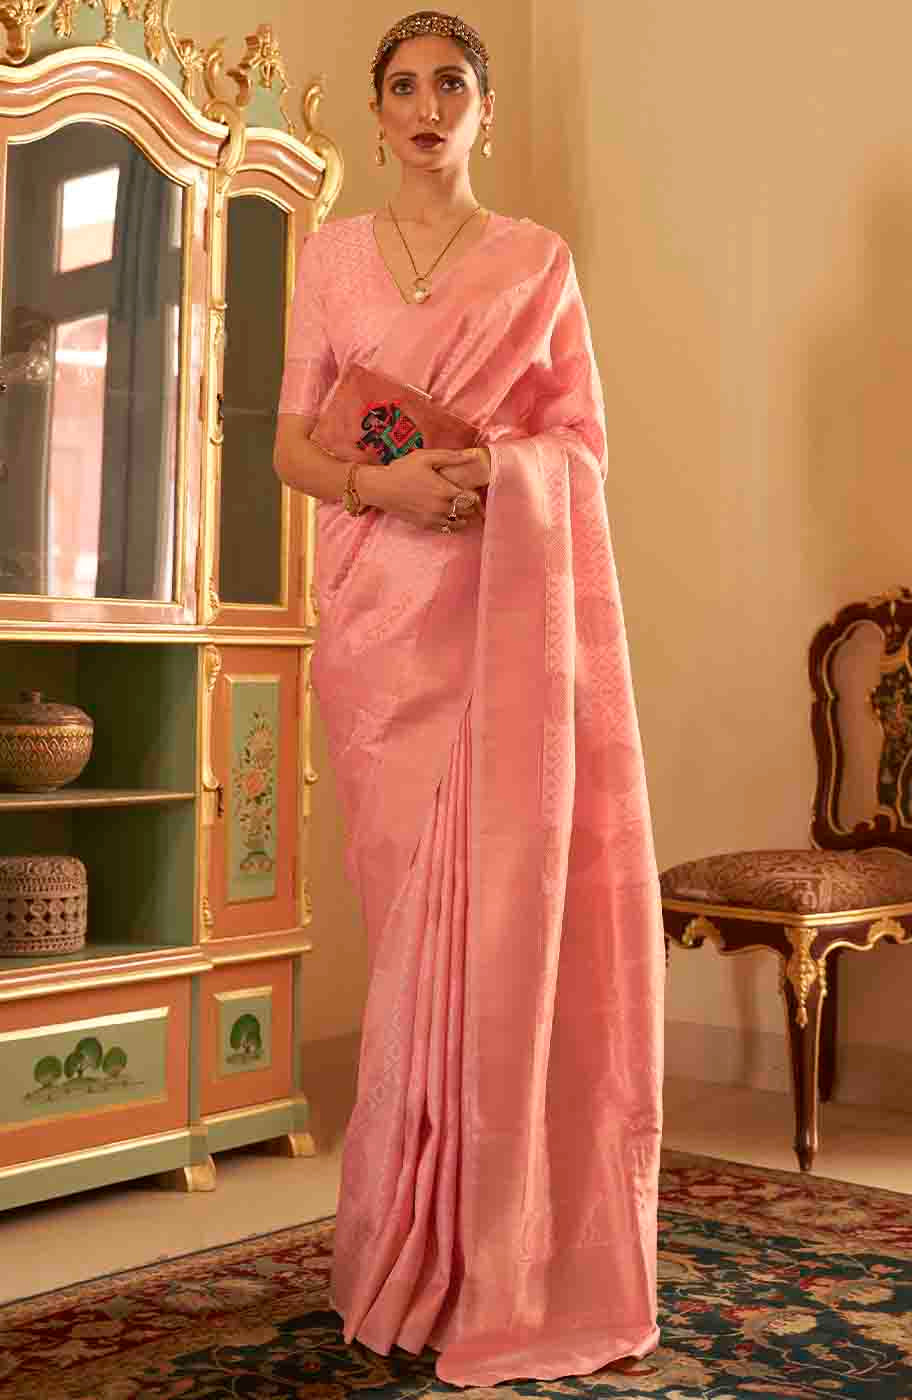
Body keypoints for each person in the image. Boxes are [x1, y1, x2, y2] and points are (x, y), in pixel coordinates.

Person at [273, 11, 664, 1388]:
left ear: (485, 111)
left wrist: (500, 471)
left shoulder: (536, 262)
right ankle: (405, 1245)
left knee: (496, 927)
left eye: (451, 84)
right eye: (404, 85)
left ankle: (493, 1255)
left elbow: (581, 450)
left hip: (497, 614)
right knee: (407, 932)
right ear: (376, 112)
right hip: (377, 623)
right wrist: (379, 484)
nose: (427, 104)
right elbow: (290, 444)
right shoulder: (329, 257)